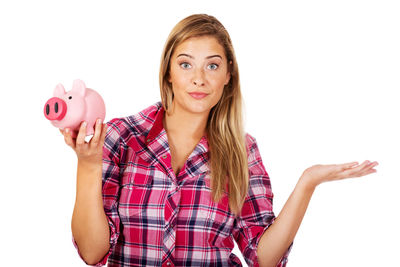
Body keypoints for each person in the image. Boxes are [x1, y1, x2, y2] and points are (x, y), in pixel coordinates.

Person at [60, 14, 378, 267]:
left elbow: (263, 258)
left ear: (228, 75)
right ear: (168, 71)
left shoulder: (243, 150)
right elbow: (92, 252)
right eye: (186, 64)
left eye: (212, 65)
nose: (200, 78)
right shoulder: (120, 136)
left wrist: (308, 182)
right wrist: (87, 166)